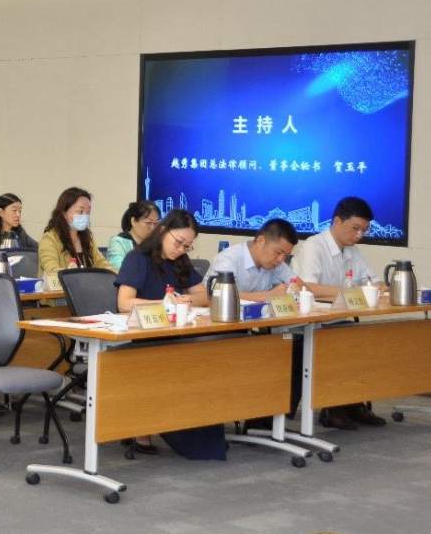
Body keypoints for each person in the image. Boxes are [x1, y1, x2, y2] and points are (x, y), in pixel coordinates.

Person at [115, 209, 213, 458]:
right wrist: (164, 304)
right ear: (161, 231)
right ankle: (145, 428)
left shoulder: (180, 261)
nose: (181, 249)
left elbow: (203, 297)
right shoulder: (138, 258)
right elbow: (124, 303)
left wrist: (185, 300)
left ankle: (193, 425)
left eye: (187, 246)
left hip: (174, 333)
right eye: (178, 242)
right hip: (142, 334)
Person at [293, 196, 386, 429]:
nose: (359, 235)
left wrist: (375, 287)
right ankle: (333, 409)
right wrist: (349, 292)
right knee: (342, 342)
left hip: (337, 320)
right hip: (308, 322)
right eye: (355, 228)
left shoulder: (352, 251)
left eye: (364, 230)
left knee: (366, 339)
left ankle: (353, 404)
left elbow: (374, 282)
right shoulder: (314, 246)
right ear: (336, 221)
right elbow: (307, 287)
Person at [204, 218, 303, 431]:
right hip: (221, 330)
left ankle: (268, 419)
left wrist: (292, 289)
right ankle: (257, 418)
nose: (280, 260)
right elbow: (217, 295)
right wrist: (268, 295)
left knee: (296, 348)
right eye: (278, 253)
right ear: (260, 241)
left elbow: (297, 284)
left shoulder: (276, 263)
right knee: (269, 352)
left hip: (254, 330)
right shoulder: (229, 259)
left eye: (285, 256)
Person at [39, 186, 115, 275]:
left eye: (88, 212)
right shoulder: (49, 239)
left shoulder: (87, 239)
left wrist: (118, 276)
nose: (85, 216)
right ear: (64, 213)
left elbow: (103, 265)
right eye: (80, 211)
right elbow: (51, 270)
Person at [106, 201, 160, 270]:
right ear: (133, 221)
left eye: (156, 223)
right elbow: (119, 269)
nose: (152, 228)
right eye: (148, 222)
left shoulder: (156, 244)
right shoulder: (118, 243)